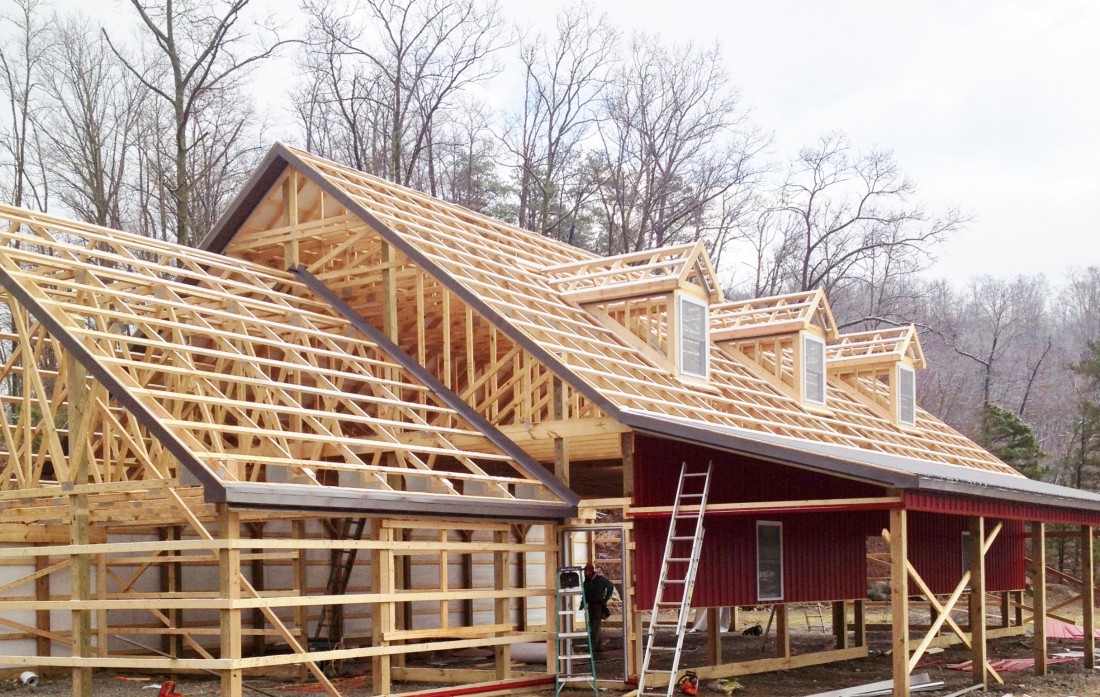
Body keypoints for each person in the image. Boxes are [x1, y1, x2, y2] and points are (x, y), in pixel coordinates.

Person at [583, 563, 615, 651]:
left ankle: (592, 646)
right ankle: (598, 646)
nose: (585, 572)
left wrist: (605, 599)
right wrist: (583, 603)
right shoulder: (587, 581)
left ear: (590, 571)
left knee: (594, 626)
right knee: (595, 625)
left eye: (586, 571)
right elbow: (585, 593)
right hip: (591, 605)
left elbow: (611, 586)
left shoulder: (599, 580)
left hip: (598, 606)